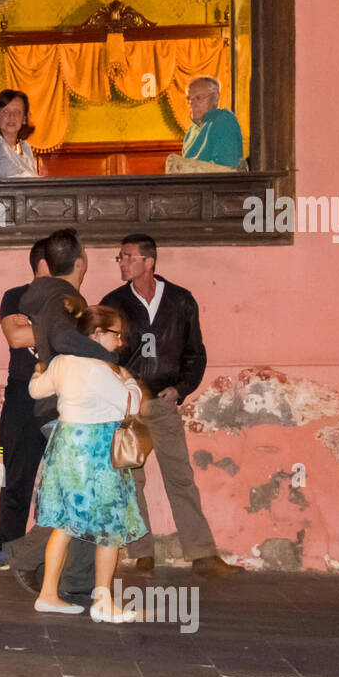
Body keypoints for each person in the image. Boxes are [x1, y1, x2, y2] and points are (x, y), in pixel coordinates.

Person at [101, 234, 243, 578]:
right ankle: (142, 552)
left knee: (180, 477)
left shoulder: (180, 301)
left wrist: (181, 388)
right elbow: (103, 353)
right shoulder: (114, 302)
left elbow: (195, 352)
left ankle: (202, 554)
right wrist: (118, 389)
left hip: (163, 404)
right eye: (120, 257)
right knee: (130, 479)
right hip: (128, 406)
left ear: (148, 262)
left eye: (127, 257)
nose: (121, 262)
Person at [1, 228, 116, 605]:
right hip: (69, 411)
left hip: (56, 404)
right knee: (84, 498)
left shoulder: (40, 296)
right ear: (80, 261)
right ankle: (33, 557)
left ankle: (74, 579)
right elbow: (65, 342)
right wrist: (108, 358)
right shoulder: (64, 298)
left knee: (82, 497)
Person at [28, 305, 147, 622]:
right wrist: (129, 380)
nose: (119, 343)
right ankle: (103, 603)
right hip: (96, 451)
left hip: (66, 447)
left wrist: (39, 370)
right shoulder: (97, 367)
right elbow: (131, 405)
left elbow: (36, 389)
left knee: (65, 525)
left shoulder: (63, 362)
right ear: (96, 334)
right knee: (109, 527)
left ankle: (48, 595)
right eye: (115, 335)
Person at [0, 236, 50, 569]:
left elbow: (80, 337)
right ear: (44, 265)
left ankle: (53, 554)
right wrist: (56, 329)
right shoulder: (15, 296)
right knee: (15, 476)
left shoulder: (72, 301)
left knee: (63, 479)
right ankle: (5, 548)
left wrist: (35, 327)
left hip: (62, 396)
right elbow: (16, 336)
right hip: (21, 398)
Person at [164, 77, 244, 174]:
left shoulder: (223, 119)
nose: (192, 104)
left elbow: (227, 169)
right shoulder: (191, 131)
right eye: (189, 99)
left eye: (198, 98)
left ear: (215, 98)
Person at [0, 88, 40, 178]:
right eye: (5, 112)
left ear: (24, 119)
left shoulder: (25, 147)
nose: (11, 116)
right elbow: (16, 177)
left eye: (17, 112)